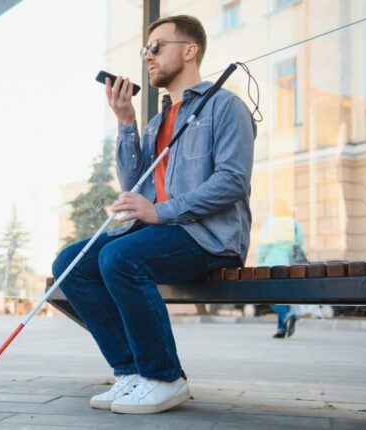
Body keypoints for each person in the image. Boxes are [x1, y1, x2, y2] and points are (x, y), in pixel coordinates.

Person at [52, 15, 256, 415]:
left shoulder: (225, 106)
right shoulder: (158, 120)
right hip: (161, 234)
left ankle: (164, 377)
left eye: (157, 47)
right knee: (71, 263)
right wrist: (126, 123)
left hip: (209, 237)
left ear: (189, 50)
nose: (148, 56)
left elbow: (233, 181)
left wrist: (161, 211)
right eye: (145, 49)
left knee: (120, 257)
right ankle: (131, 371)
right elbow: (135, 183)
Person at [257, 199, 304, 338]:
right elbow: (300, 245)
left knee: (269, 295)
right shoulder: (294, 223)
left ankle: (288, 315)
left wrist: (259, 262)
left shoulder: (270, 223)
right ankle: (282, 329)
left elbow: (263, 246)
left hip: (271, 263)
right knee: (281, 296)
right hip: (287, 265)